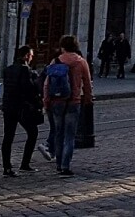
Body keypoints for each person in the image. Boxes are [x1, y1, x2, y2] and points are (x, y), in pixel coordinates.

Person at [43, 35, 93, 177]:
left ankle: (58, 164)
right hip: (73, 102)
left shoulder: (56, 60)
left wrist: (46, 101)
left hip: (57, 102)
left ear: (62, 46)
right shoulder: (81, 62)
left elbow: (47, 84)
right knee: (70, 136)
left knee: (59, 133)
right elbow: (88, 84)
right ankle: (65, 166)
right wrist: (88, 99)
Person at [0, 45, 41, 177]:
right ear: (26, 56)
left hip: (8, 106)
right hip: (21, 108)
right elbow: (28, 90)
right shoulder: (25, 70)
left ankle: (7, 167)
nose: (32, 57)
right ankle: (25, 163)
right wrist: (38, 103)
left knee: (8, 137)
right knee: (33, 132)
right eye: (31, 55)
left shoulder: (8, 69)